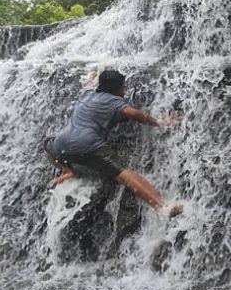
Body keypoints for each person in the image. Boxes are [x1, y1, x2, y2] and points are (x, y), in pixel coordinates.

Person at [45, 70, 184, 218]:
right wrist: (159, 122)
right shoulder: (115, 102)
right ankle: (161, 206)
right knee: (124, 174)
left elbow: (90, 84)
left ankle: (67, 171)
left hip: (60, 145)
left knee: (47, 146)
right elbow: (134, 113)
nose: (125, 90)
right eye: (123, 87)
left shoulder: (87, 94)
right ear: (117, 89)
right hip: (88, 145)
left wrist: (94, 72)